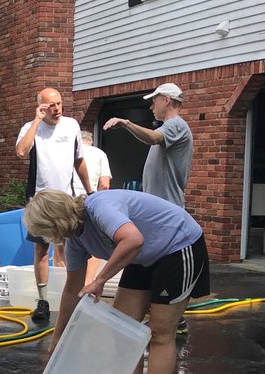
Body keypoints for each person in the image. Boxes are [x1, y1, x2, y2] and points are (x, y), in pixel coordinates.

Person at [24, 189, 209, 374]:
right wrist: (58, 337)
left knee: (160, 334)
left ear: (54, 222)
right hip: (142, 256)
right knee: (121, 328)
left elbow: (133, 239)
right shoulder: (75, 240)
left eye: (45, 230)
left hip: (178, 245)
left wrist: (100, 279)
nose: (46, 238)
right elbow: (72, 290)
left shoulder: (100, 207)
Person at [104, 82, 193, 333]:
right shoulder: (170, 127)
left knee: (161, 265)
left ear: (166, 100)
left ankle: (173, 319)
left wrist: (126, 123)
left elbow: (154, 138)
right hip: (161, 211)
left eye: (154, 100)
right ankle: (171, 317)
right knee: (152, 263)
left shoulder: (176, 125)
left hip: (168, 212)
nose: (151, 105)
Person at [16, 87, 92, 322]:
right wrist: (37, 121)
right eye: (51, 105)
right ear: (41, 107)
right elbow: (21, 151)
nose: (57, 109)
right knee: (41, 249)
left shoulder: (71, 126)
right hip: (41, 200)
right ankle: (43, 300)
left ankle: (77, 296)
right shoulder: (31, 129)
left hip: (66, 198)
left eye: (59, 104)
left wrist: (90, 190)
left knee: (74, 248)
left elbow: (79, 160)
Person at [72, 130, 112, 284]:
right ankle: (88, 283)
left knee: (63, 244)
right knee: (93, 244)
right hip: (88, 201)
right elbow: (104, 184)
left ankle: (66, 283)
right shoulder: (99, 153)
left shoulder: (69, 150)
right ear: (91, 141)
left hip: (66, 200)